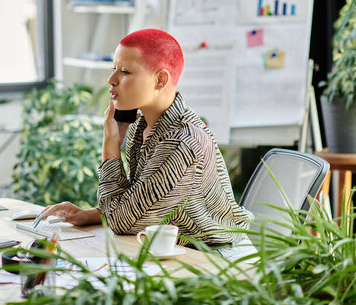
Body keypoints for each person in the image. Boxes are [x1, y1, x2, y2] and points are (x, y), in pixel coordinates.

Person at [41, 29, 253, 244]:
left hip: (219, 258)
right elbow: (136, 204)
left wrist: (110, 144)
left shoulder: (181, 143)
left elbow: (123, 223)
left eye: (125, 72)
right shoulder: (142, 126)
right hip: (180, 250)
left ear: (160, 79)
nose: (111, 80)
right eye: (114, 69)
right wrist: (92, 215)